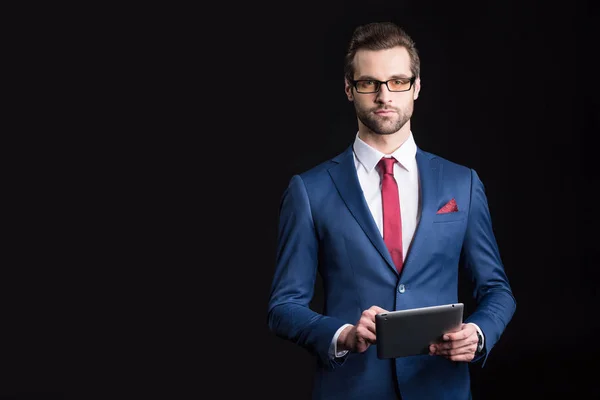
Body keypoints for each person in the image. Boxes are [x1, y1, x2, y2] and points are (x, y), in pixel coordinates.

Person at [267, 21, 516, 399]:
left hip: (440, 387)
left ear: (416, 87)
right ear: (350, 89)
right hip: (352, 388)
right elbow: (283, 307)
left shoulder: (461, 183)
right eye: (369, 83)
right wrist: (342, 334)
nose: (384, 95)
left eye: (398, 81)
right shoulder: (310, 190)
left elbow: (497, 290)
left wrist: (478, 334)